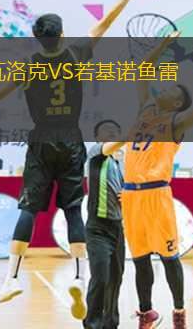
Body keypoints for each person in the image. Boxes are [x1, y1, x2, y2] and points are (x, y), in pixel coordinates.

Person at [0, 0, 155, 318]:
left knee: (28, 209)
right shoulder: (76, 54)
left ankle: (11, 278)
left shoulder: (29, 66)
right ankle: (79, 275)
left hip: (41, 138)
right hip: (71, 138)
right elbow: (105, 23)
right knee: (73, 209)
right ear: (62, 35)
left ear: (37, 39)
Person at [103, 34, 193, 329]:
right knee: (140, 259)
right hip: (131, 196)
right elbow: (143, 69)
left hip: (156, 195)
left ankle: (179, 311)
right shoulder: (146, 109)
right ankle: (147, 312)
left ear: (177, 102)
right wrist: (163, 44)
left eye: (171, 90)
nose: (165, 88)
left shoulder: (176, 123)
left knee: (169, 257)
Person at [84, 119, 125, 329]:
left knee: (116, 280)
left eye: (115, 131)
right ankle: (92, 324)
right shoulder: (95, 155)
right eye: (107, 131)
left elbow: (128, 192)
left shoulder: (121, 164)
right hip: (97, 229)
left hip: (118, 228)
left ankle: (111, 324)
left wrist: (128, 195)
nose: (112, 134)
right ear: (98, 138)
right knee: (100, 278)